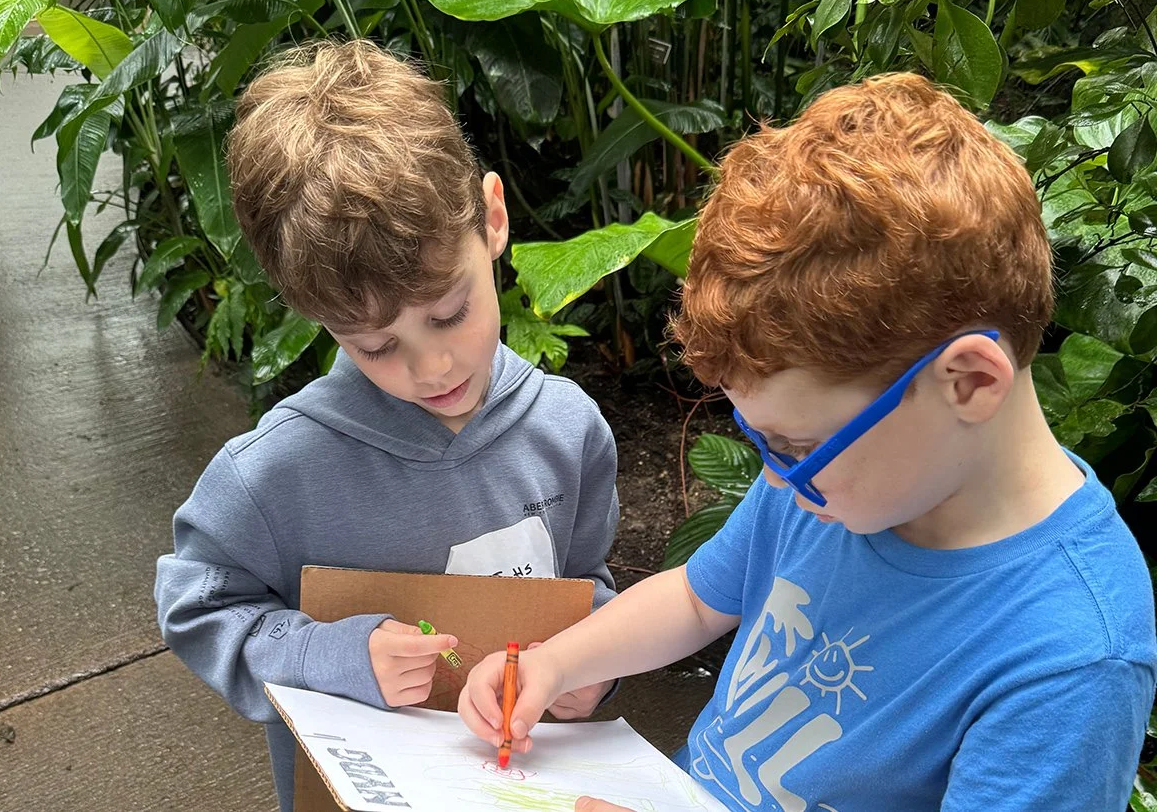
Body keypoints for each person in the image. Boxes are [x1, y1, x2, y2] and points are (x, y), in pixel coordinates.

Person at [459, 73, 1157, 811]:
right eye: (760, 441)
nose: (780, 478)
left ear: (970, 383)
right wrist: (555, 663)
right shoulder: (824, 479)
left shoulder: (1068, 660)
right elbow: (699, 602)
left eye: (797, 447)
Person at [154, 40, 619, 812]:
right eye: (375, 345)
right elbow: (198, 604)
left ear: (493, 218)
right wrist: (323, 654)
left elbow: (588, 590)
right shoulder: (274, 473)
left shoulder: (569, 431)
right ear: (318, 319)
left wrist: (592, 667)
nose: (432, 367)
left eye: (450, 312)